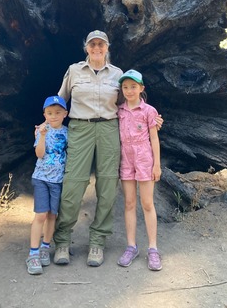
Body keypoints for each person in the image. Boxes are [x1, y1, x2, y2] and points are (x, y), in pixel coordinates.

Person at [53, 30, 162, 267]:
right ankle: (62, 241)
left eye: (101, 45)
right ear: (86, 47)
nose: (97, 48)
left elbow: (129, 102)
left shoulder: (117, 74)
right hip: (80, 129)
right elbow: (60, 101)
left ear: (107, 47)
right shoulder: (74, 71)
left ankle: (97, 242)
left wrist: (151, 117)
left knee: (107, 185)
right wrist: (47, 123)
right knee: (73, 184)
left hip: (109, 130)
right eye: (92, 44)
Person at [116, 69, 162, 271]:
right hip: (126, 159)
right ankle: (131, 246)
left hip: (144, 159)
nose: (129, 90)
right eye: (125, 87)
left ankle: (152, 249)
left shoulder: (149, 111)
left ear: (141, 88)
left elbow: (154, 138)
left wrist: (157, 164)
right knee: (129, 202)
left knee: (147, 203)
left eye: (133, 86)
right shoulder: (119, 111)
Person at [26, 96, 69, 275]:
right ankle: (33, 252)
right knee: (41, 215)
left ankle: (46, 246)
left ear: (65, 114)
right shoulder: (41, 130)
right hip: (42, 178)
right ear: (44, 114)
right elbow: (39, 153)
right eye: (50, 113)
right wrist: (42, 135)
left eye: (58, 113)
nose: (54, 116)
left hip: (58, 180)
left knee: (52, 214)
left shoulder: (68, 132)